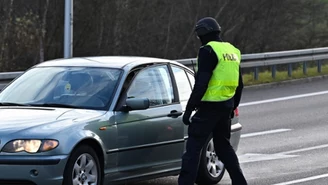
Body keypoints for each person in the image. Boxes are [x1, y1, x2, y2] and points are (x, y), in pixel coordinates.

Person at [178, 17, 248, 185]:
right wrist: (233, 106)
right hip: (226, 107)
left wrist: (189, 109)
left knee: (193, 150)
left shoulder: (208, 50)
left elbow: (201, 84)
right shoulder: (232, 51)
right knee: (224, 148)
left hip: (209, 108)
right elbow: (240, 85)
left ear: (202, 33)